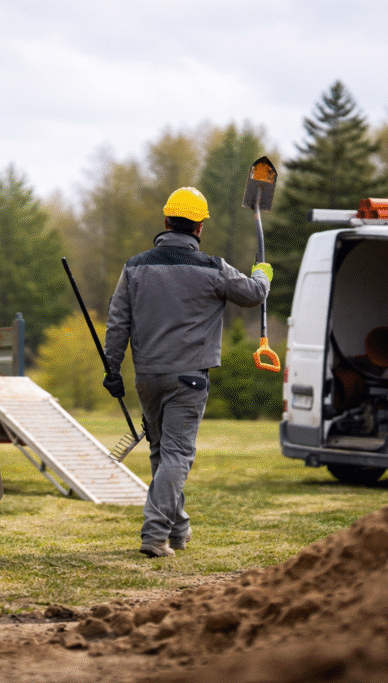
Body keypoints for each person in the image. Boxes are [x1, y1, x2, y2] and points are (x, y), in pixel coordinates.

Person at [103, 187, 271, 558]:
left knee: (163, 453)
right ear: (199, 228)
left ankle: (179, 530)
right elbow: (254, 294)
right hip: (189, 378)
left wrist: (112, 368)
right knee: (177, 455)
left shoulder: (135, 267)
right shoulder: (212, 269)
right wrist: (263, 273)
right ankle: (154, 535)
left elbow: (117, 323)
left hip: (147, 377)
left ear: (165, 222)